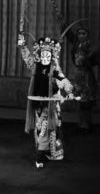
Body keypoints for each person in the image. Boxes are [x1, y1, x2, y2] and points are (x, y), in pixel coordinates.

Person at [18, 34, 75, 168]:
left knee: (48, 128)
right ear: (40, 55)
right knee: (40, 128)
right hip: (38, 103)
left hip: (51, 105)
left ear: (52, 57)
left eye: (48, 56)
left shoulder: (54, 69)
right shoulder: (35, 66)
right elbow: (27, 57)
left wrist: (69, 91)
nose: (45, 58)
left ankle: (43, 155)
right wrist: (23, 45)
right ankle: (43, 152)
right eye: (43, 56)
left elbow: (63, 80)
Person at [65, 27, 98, 133]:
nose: (81, 35)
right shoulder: (76, 45)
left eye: (83, 33)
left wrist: (88, 58)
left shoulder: (90, 47)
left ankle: (87, 125)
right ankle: (81, 124)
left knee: (87, 102)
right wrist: (63, 23)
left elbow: (94, 60)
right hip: (78, 75)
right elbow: (69, 35)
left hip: (87, 76)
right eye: (79, 33)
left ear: (87, 35)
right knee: (79, 100)